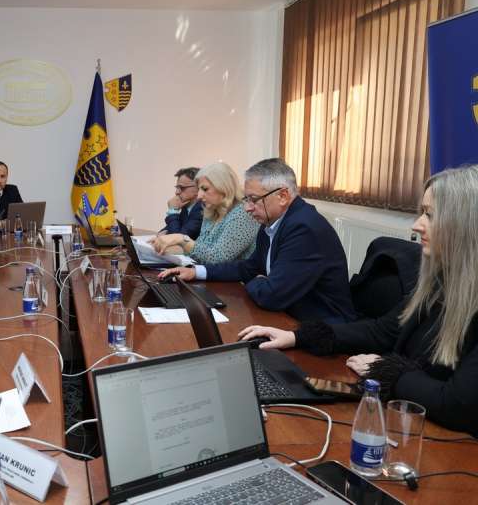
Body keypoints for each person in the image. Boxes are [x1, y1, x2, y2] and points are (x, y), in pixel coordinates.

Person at [240, 165, 478, 435]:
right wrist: (297, 337)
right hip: (413, 419)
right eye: (422, 212)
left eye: (430, 215)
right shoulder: (441, 283)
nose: (417, 225)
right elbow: (382, 331)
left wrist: (387, 371)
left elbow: (457, 404)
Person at [160, 158, 355, 323]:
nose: (247, 208)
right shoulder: (272, 220)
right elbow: (249, 267)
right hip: (287, 315)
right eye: (247, 199)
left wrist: (254, 280)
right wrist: (196, 272)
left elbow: (271, 295)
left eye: (253, 199)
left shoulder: (304, 229)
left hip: (321, 329)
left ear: (283, 196)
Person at [151, 162, 258, 264]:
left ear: (224, 187)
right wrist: (161, 248)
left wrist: (181, 239)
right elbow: (200, 251)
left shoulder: (243, 213)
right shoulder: (211, 210)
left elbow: (218, 259)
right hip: (207, 274)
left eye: (205, 189)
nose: (199, 196)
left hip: (232, 277)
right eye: (199, 189)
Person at [159, 167, 203, 239]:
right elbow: (165, 230)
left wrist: (173, 211)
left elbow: (177, 239)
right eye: (177, 188)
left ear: (198, 187)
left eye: (182, 188)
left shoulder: (202, 208)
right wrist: (166, 232)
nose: (177, 192)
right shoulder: (186, 206)